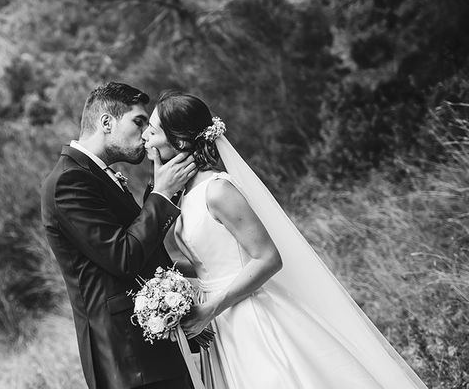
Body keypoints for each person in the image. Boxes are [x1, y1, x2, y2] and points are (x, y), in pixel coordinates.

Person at [141, 91, 429, 389]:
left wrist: (210, 309)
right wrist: (165, 278)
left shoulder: (217, 190)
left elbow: (267, 258)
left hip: (248, 313)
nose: (145, 137)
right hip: (221, 323)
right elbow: (209, 262)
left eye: (153, 129)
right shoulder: (185, 195)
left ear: (182, 142)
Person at [40, 82, 199, 389]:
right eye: (138, 122)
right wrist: (162, 196)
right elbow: (124, 258)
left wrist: (159, 191)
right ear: (106, 122)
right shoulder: (68, 181)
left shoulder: (95, 175)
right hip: (127, 361)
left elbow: (142, 250)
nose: (145, 134)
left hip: (150, 348)